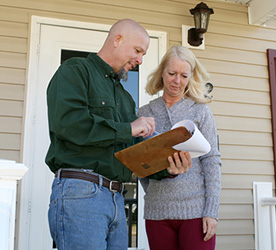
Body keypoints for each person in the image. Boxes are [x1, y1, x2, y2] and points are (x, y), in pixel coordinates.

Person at [45, 20, 191, 250]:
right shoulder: (75, 71)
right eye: (137, 51)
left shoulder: (125, 98)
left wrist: (168, 167)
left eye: (144, 54)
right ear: (117, 39)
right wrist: (129, 128)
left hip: (116, 198)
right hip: (80, 192)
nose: (140, 60)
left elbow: (131, 151)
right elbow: (69, 124)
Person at [138, 45, 222, 250]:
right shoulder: (145, 112)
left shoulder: (200, 112)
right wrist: (153, 192)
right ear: (162, 73)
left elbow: (212, 161)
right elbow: (140, 164)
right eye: (172, 73)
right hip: (157, 212)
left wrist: (211, 211)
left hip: (196, 212)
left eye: (184, 75)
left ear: (191, 77)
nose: (177, 81)